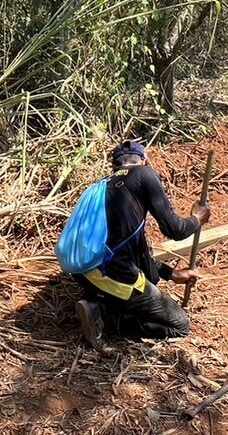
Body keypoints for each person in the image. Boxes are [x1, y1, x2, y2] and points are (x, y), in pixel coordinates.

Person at [74, 140, 210, 350]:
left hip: (83, 273)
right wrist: (196, 218)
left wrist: (171, 274)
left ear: (114, 166)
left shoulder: (99, 187)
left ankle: (104, 301)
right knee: (179, 325)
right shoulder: (144, 175)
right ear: (145, 161)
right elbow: (175, 230)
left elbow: (128, 248)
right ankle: (103, 315)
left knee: (135, 283)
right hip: (115, 276)